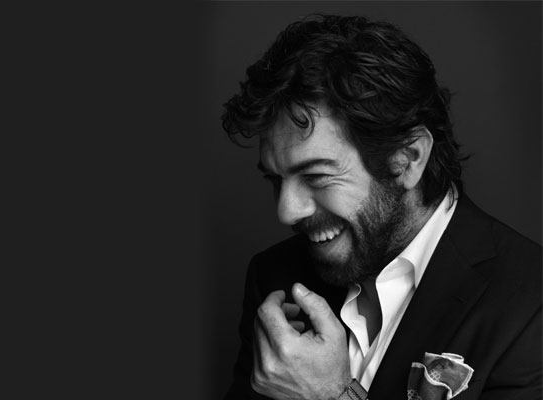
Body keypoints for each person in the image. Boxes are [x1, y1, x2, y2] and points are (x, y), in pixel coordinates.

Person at [221, 15, 541, 400]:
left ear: (407, 159)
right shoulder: (273, 279)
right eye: (276, 179)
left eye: (317, 176)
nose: (287, 211)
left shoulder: (531, 308)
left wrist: (331, 395)